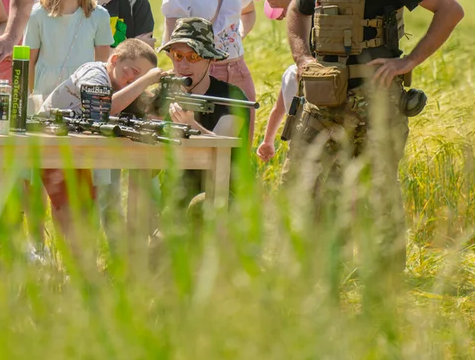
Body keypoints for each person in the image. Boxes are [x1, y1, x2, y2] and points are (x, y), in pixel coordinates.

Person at [285, 0, 463, 270]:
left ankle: (384, 291)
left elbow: (449, 9)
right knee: (304, 187)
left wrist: (407, 62)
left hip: (373, 102)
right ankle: (317, 276)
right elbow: (295, 13)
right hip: (322, 100)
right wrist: (301, 58)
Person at [40, 39, 162, 242]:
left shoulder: (120, 84)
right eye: (133, 71)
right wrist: (145, 81)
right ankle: (74, 266)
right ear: (114, 60)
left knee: (85, 211)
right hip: (53, 144)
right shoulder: (94, 73)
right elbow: (102, 110)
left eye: (142, 76)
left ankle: (81, 266)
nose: (135, 80)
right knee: (70, 209)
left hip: (78, 149)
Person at [156, 17, 249, 210]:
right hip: (175, 200)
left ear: (210, 59)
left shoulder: (231, 96)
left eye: (193, 57)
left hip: (219, 198)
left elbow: (222, 148)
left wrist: (192, 126)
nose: (183, 65)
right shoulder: (165, 92)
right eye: (177, 55)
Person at [24, 0, 113, 97]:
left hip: (82, 95)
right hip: (44, 94)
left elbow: (102, 67)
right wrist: (30, 99)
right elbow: (29, 62)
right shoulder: (37, 15)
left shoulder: (99, 16)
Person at [256, 65, 299, 162]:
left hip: (296, 147)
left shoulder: (291, 72)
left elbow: (278, 110)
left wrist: (268, 141)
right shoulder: (333, 74)